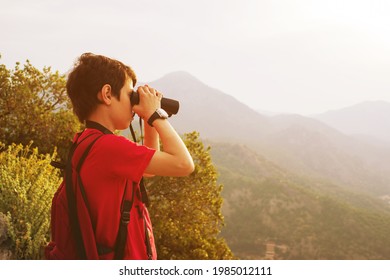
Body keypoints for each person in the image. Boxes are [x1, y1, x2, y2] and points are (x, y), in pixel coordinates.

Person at [48, 53, 194, 260]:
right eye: (130, 95)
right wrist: (156, 115)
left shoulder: (87, 141)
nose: (133, 104)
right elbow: (183, 164)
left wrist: (148, 118)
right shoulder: (108, 147)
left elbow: (149, 170)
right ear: (107, 94)